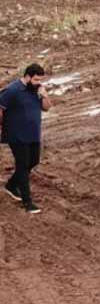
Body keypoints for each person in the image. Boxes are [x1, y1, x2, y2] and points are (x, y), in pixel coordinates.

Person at [0, 64, 51, 214]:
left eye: (40, 80)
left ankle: (11, 185)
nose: (38, 82)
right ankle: (27, 202)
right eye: (36, 79)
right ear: (27, 76)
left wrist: (45, 95)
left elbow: (47, 107)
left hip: (33, 133)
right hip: (16, 134)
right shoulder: (13, 90)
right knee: (22, 165)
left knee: (33, 161)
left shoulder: (37, 90)